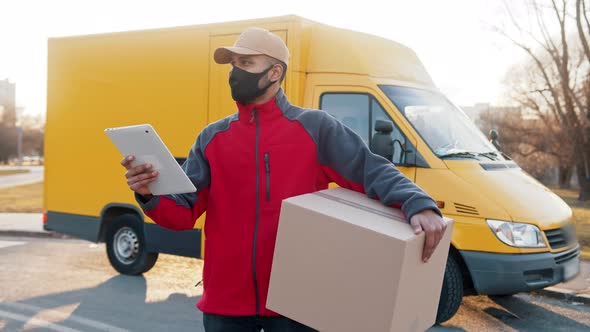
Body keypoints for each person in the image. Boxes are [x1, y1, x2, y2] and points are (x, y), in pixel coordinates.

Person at [120, 27, 446, 332]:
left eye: (246, 63)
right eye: (234, 64)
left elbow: (370, 170)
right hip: (225, 307)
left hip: (297, 305)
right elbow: (183, 213)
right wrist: (151, 194)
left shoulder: (316, 128)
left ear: (275, 72)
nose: (236, 72)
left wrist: (419, 204)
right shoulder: (212, 138)